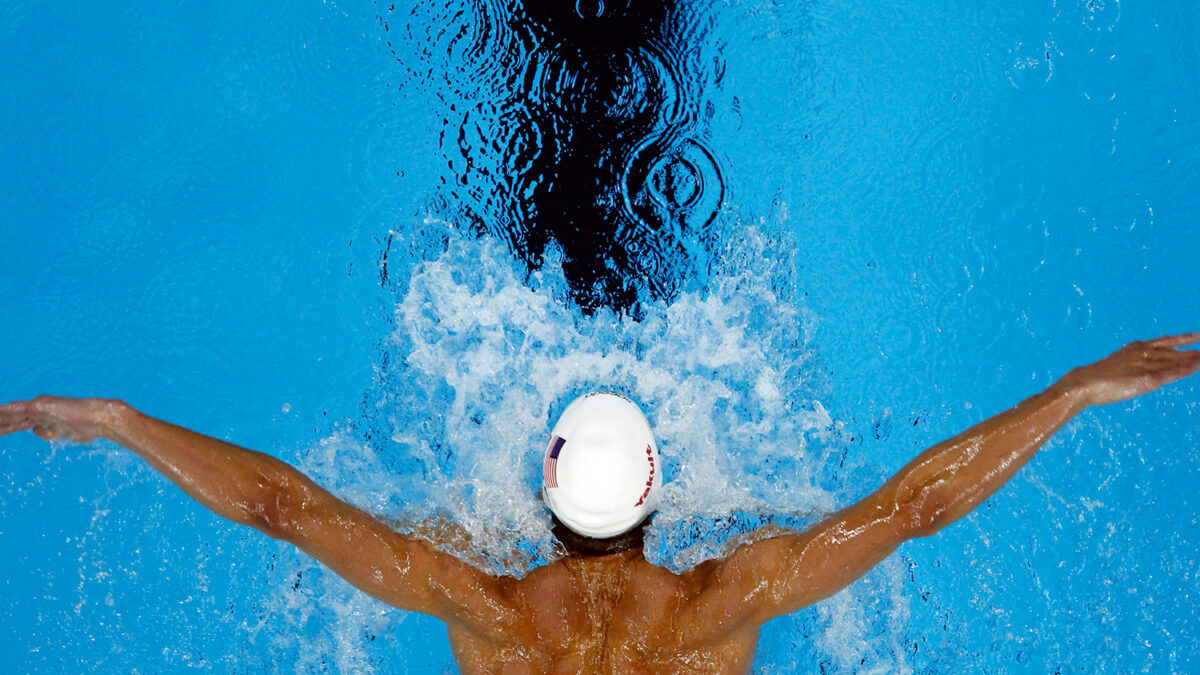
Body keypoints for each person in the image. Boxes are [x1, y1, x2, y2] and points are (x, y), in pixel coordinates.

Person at [1, 334, 1198, 673]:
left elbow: (286, 512)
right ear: (657, 493)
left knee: (431, 536)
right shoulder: (725, 600)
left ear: (545, 491)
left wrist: (119, 425)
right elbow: (913, 510)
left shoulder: (486, 605)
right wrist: (1070, 393)